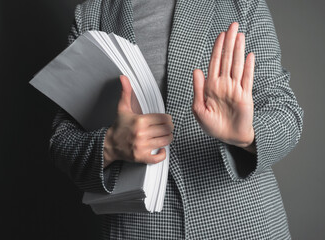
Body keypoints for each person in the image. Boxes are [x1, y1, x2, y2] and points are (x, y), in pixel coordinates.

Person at [49, 0, 304, 239]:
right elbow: (62, 139)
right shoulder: (92, 15)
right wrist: (110, 145)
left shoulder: (241, 4)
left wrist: (246, 135)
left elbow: (285, 111)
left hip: (241, 223)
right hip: (138, 229)